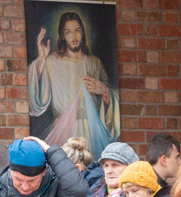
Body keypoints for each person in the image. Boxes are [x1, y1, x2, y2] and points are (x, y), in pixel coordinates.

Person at [27, 12, 119, 154]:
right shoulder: (52, 62)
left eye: (78, 31)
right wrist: (41, 60)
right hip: (62, 130)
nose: (74, 37)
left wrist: (105, 91)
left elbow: (111, 103)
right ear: (62, 36)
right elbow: (37, 99)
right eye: (68, 32)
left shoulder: (94, 63)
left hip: (91, 132)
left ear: (83, 31)